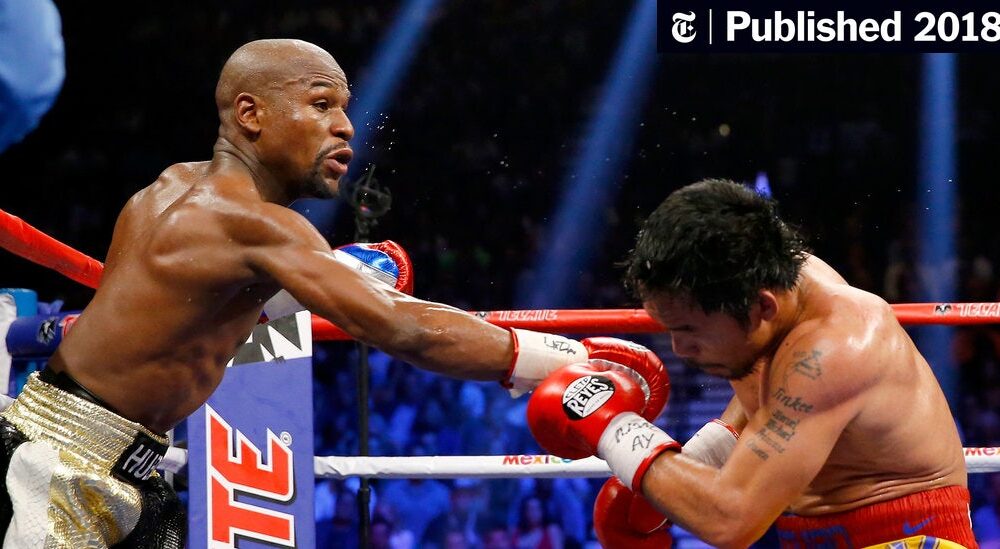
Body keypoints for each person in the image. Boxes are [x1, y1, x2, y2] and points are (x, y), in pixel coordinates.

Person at [0, 38, 666, 547]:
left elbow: (182, 325)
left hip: (108, 457)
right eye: (321, 104)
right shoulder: (257, 226)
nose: (346, 126)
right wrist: (560, 360)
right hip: (59, 470)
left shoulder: (167, 189)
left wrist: (305, 287)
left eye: (344, 107)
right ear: (250, 113)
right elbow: (400, 325)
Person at [527, 180, 977, 547]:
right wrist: (704, 453)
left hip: (907, 537)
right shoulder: (781, 285)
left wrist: (615, 431)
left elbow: (731, 522)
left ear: (760, 308)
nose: (679, 349)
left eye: (688, 330)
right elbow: (776, 395)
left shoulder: (836, 348)